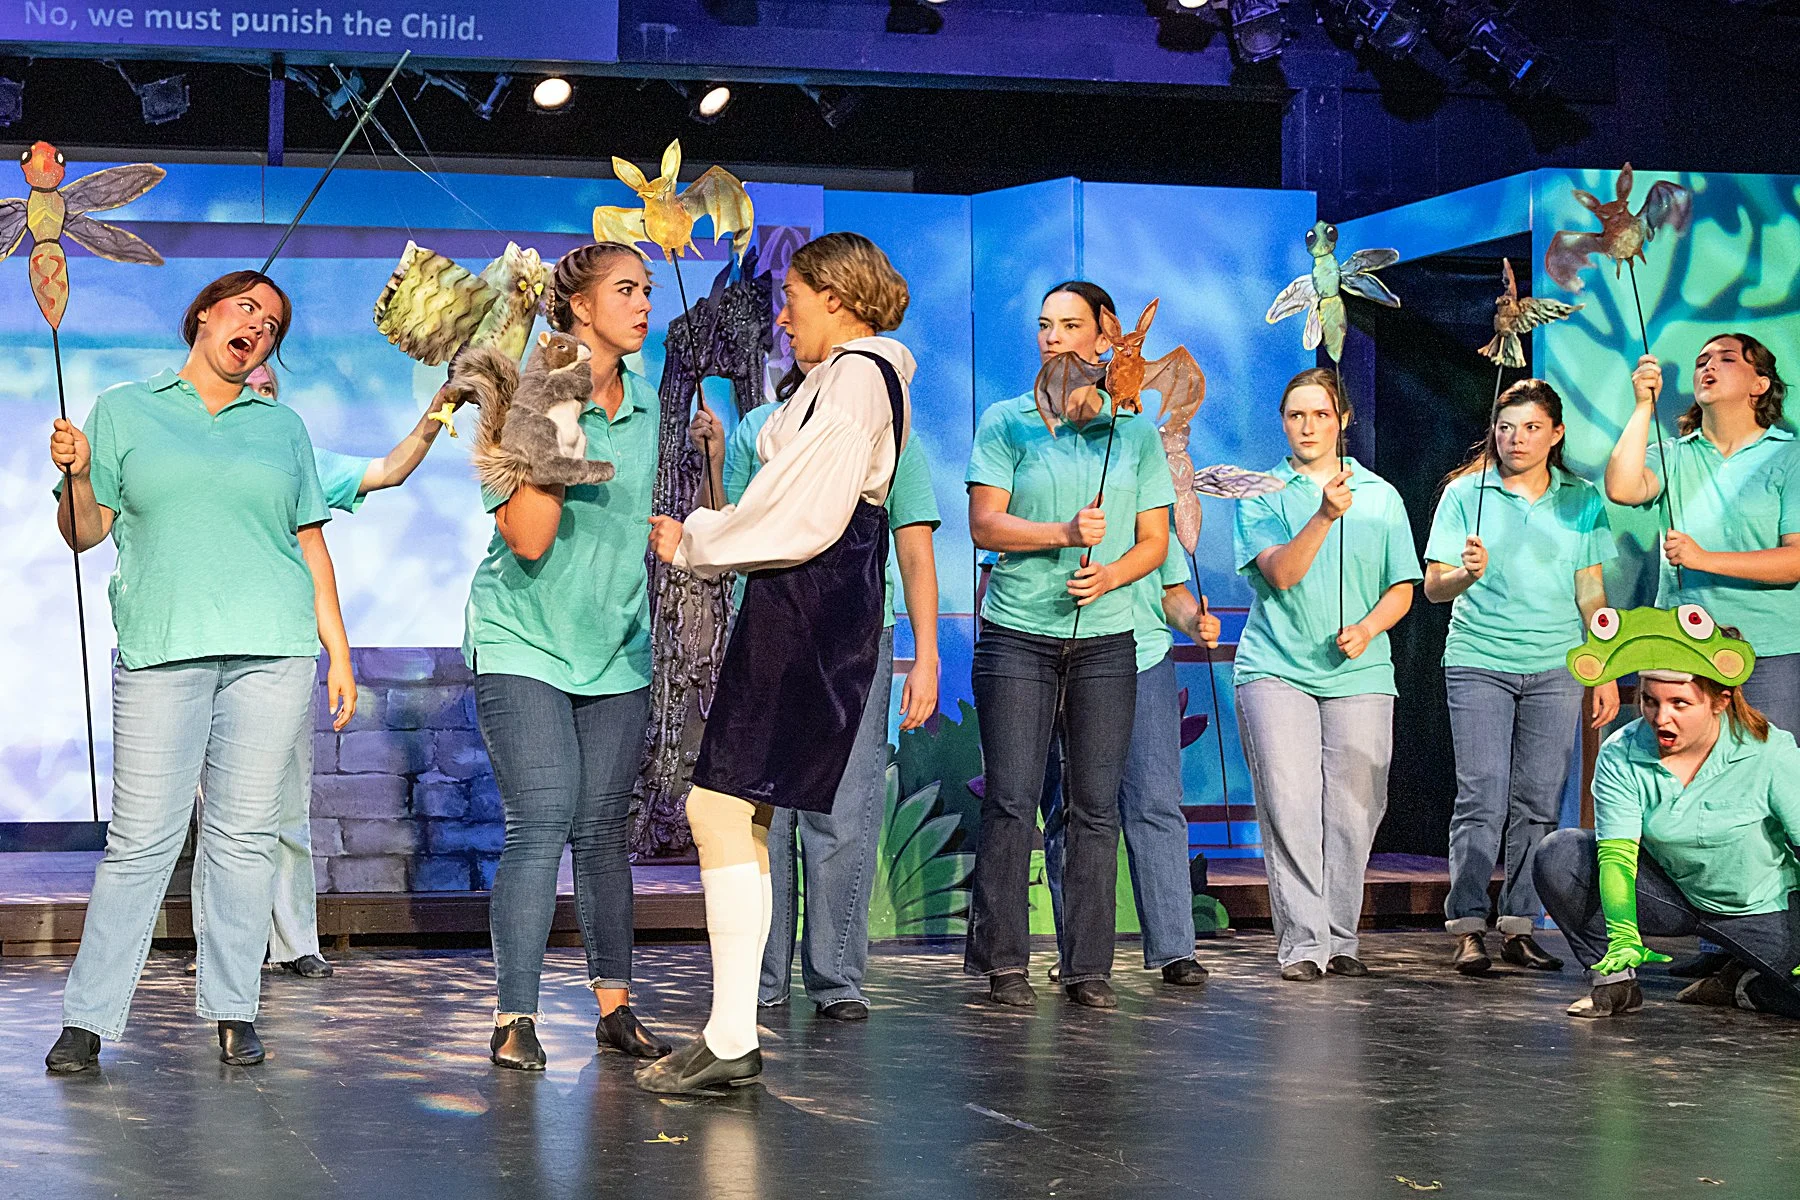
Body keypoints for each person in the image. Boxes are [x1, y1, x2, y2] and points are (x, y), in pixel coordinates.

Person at [45, 271, 355, 1072]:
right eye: (247, 307)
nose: (259, 324)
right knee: (141, 839)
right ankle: (87, 1018)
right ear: (206, 316)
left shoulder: (282, 426)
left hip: (272, 648)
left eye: (274, 322)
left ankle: (233, 1007)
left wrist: (339, 651)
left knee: (243, 837)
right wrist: (78, 474)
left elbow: (310, 544)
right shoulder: (123, 408)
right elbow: (85, 534)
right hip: (162, 646)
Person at [644, 231, 913, 1093]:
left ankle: (731, 1037)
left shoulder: (862, 378)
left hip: (809, 608)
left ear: (837, 297)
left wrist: (699, 540)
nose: (782, 314)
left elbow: (803, 516)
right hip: (794, 606)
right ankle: (729, 1031)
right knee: (736, 813)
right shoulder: (837, 380)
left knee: (718, 806)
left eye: (793, 296)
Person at [180, 363, 465, 981]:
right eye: (248, 388)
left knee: (286, 803)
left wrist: (440, 409)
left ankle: (293, 939)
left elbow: (388, 470)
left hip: (278, 648)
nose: (259, 397)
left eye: (271, 389)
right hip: (203, 645)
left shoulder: (293, 455)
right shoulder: (192, 454)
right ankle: (226, 947)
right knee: (222, 814)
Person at [690, 355, 942, 1022]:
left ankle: (836, 978)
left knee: (842, 810)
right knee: (758, 811)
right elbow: (736, 524)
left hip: (852, 632)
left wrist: (928, 656)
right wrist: (715, 459)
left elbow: (913, 545)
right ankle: (760, 980)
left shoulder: (883, 422)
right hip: (773, 627)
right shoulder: (757, 429)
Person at [468, 243, 669, 1071]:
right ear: (580, 307)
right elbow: (530, 535)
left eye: (647, 289)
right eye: (626, 289)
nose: (643, 303)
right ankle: (515, 1015)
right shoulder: (531, 390)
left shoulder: (652, 403)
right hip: (524, 640)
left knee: (600, 831)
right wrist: (561, 412)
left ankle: (615, 1007)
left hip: (615, 643)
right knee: (544, 815)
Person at [963, 280, 1173, 1010]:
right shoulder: (1006, 422)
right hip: (1018, 635)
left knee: (1094, 806)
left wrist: (1110, 572)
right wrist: (1060, 535)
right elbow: (985, 525)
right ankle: (1004, 964)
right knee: (1013, 801)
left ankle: (1089, 969)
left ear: (1102, 338)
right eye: (1045, 325)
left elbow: (1153, 541)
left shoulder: (1133, 433)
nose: (1054, 336)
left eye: (1070, 325)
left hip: (1106, 641)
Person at [1604, 333, 1798, 979]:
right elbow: (1624, 486)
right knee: (1694, 793)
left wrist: (1707, 560)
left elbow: (1795, 560)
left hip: (1765, 649)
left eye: (1727, 359)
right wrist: (1641, 405)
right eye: (1702, 361)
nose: (1709, 367)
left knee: (1757, 798)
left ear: (1761, 384)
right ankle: (1720, 945)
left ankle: (1773, 938)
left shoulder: (1787, 457)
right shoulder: (1677, 454)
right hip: (1683, 651)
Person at [1424, 379, 1620, 975]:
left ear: (1555, 433)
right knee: (1481, 794)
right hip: (1480, 659)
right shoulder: (1466, 494)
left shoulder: (1581, 499)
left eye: (1532, 427)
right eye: (1507, 428)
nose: (1517, 439)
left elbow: (1592, 591)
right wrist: (1465, 573)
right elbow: (1434, 588)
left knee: (1537, 800)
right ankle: (1467, 925)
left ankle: (1518, 924)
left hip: (1556, 665)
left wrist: (1603, 667)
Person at [1233, 367, 1419, 982]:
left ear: (1342, 419)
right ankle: (1302, 944)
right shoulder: (1261, 493)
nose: (1307, 426)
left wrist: (1367, 630)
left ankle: (1341, 939)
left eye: (1319, 414)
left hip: (1360, 672)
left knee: (1353, 811)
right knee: (1289, 804)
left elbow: (1401, 587)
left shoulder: (1383, 495)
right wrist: (1322, 515)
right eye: (1295, 415)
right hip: (1276, 668)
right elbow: (1281, 575)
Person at [1535, 632, 1800, 1020]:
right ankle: (1617, 985)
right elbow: (1617, 859)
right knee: (1562, 854)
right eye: (1649, 701)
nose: (1661, 718)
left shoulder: (1769, 753)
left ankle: (1744, 986)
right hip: (1673, 897)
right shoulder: (1622, 753)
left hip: (1763, 909)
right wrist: (1623, 940)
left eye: (1680, 704)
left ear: (1719, 702)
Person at [1039, 546, 1222, 988]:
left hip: (1144, 658)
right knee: (1074, 809)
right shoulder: (1041, 487)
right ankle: (1077, 955)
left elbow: (1169, 591)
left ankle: (1175, 948)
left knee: (1155, 801)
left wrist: (1193, 623)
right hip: (1068, 659)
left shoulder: (1150, 508)